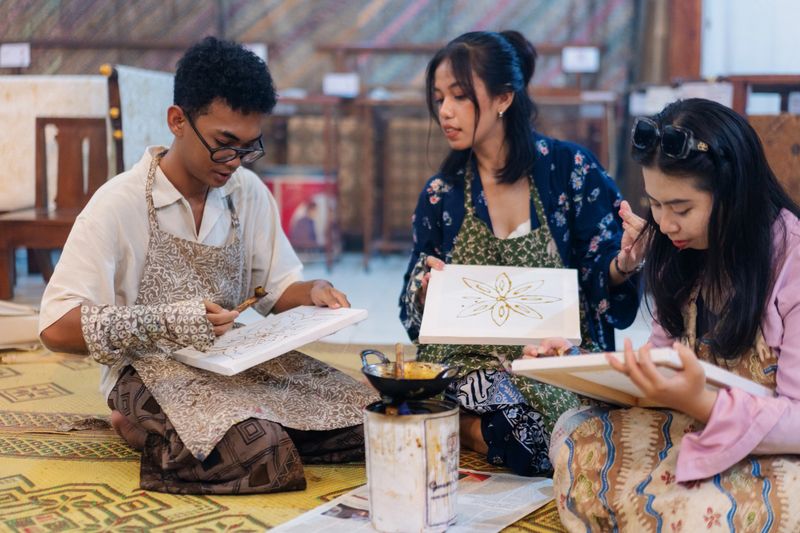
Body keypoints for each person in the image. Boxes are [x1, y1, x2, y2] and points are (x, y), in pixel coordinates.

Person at [38, 36, 376, 495]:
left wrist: (314, 290)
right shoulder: (118, 203)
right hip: (149, 370)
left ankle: (213, 429)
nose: (234, 162)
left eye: (249, 147)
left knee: (370, 420)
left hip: (235, 364)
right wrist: (171, 320)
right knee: (263, 454)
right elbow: (56, 327)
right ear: (177, 121)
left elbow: (278, 290)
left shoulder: (247, 192)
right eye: (224, 144)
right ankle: (135, 425)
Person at [398, 30, 646, 477]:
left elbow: (601, 266)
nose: (445, 112)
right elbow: (411, 299)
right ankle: (467, 422)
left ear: (503, 98)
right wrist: (425, 291)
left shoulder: (571, 169)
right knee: (519, 431)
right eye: (438, 98)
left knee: (565, 439)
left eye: (459, 96)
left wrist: (623, 264)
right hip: (471, 363)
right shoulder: (443, 194)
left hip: (552, 359)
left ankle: (456, 425)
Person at [547, 98, 800, 531]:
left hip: (774, 448)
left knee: (697, 512)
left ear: (735, 195)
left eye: (681, 209)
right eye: (655, 205)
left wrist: (700, 401)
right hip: (694, 422)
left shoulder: (791, 262)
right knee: (576, 432)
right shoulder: (680, 251)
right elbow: (659, 362)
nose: (665, 225)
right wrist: (574, 363)